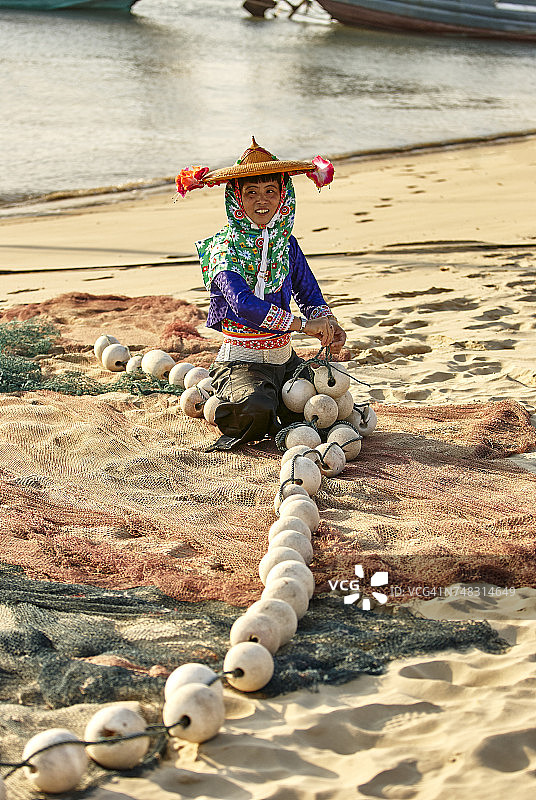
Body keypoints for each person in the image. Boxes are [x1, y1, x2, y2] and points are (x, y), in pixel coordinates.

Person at [176, 137, 347, 450]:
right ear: (237, 198)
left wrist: (329, 323)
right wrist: (303, 326)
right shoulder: (223, 250)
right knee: (257, 411)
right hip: (243, 361)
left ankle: (255, 398)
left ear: (284, 194)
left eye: (270, 191)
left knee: (323, 410)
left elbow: (309, 294)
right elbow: (245, 306)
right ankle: (221, 390)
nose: (261, 200)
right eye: (251, 192)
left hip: (285, 359)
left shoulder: (287, 245)